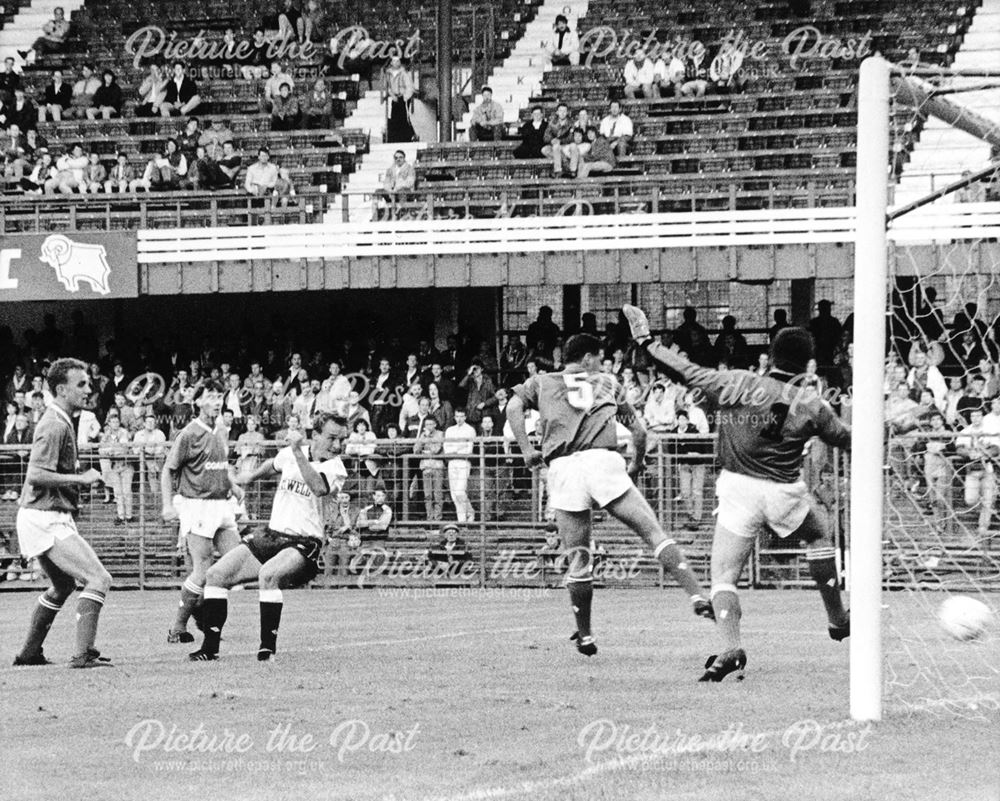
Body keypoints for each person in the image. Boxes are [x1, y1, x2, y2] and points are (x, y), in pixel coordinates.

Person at [621, 304, 852, 681]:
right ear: (808, 366)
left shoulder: (740, 382)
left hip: (737, 488)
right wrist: (890, 428)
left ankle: (730, 647)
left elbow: (685, 371)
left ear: (770, 357)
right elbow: (845, 438)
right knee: (819, 533)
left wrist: (647, 342)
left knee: (724, 576)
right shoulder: (811, 404)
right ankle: (837, 618)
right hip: (783, 491)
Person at [506, 333, 713, 657]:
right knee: (653, 532)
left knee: (579, 558)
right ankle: (697, 594)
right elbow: (640, 431)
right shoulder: (607, 382)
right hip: (602, 461)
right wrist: (637, 462)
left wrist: (526, 450)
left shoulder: (541, 382)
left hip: (563, 468)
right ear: (588, 358)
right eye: (599, 359)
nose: (601, 365)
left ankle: (586, 635)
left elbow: (512, 406)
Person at [189, 414, 347, 661]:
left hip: (304, 543)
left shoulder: (335, 466)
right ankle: (209, 650)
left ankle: (266, 650)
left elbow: (318, 487)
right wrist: (248, 478)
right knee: (215, 576)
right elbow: (274, 463)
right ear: (315, 435)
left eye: (341, 439)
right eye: (332, 438)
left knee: (268, 575)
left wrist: (296, 451)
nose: (337, 445)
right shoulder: (291, 454)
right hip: (272, 535)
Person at [12, 358, 113, 668]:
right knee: (98, 578)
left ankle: (30, 653)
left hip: (41, 516)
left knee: (63, 585)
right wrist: (79, 479)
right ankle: (83, 654)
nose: (89, 388)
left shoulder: (62, 419)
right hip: (45, 517)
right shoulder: (54, 424)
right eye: (81, 384)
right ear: (61, 389)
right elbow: (36, 475)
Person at [161, 382, 244, 644]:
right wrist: (167, 504)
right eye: (210, 396)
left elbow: (219, 465)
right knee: (202, 568)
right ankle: (178, 627)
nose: (216, 401)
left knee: (238, 562)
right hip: (197, 505)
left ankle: (199, 607)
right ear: (198, 402)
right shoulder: (188, 434)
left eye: (219, 396)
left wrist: (232, 484)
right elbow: (168, 470)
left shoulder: (221, 430)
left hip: (222, 505)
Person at [444, 408, 477, 523]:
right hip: (452, 462)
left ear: (465, 417)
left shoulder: (470, 430)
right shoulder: (449, 430)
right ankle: (462, 520)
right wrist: (459, 447)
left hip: (464, 461)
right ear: (454, 417)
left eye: (461, 416)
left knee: (459, 491)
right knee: (454, 494)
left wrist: (455, 448)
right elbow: (447, 449)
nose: (459, 419)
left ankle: (470, 511)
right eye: (457, 416)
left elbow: (469, 449)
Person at [383, 56, 415, 143]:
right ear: (391, 63)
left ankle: (406, 138)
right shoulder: (388, 74)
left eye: (398, 61)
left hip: (402, 97)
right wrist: (392, 95)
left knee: (403, 118)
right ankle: (395, 138)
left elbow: (410, 87)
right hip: (394, 98)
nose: (396, 63)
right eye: (394, 61)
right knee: (394, 118)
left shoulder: (404, 73)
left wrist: (405, 97)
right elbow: (387, 86)